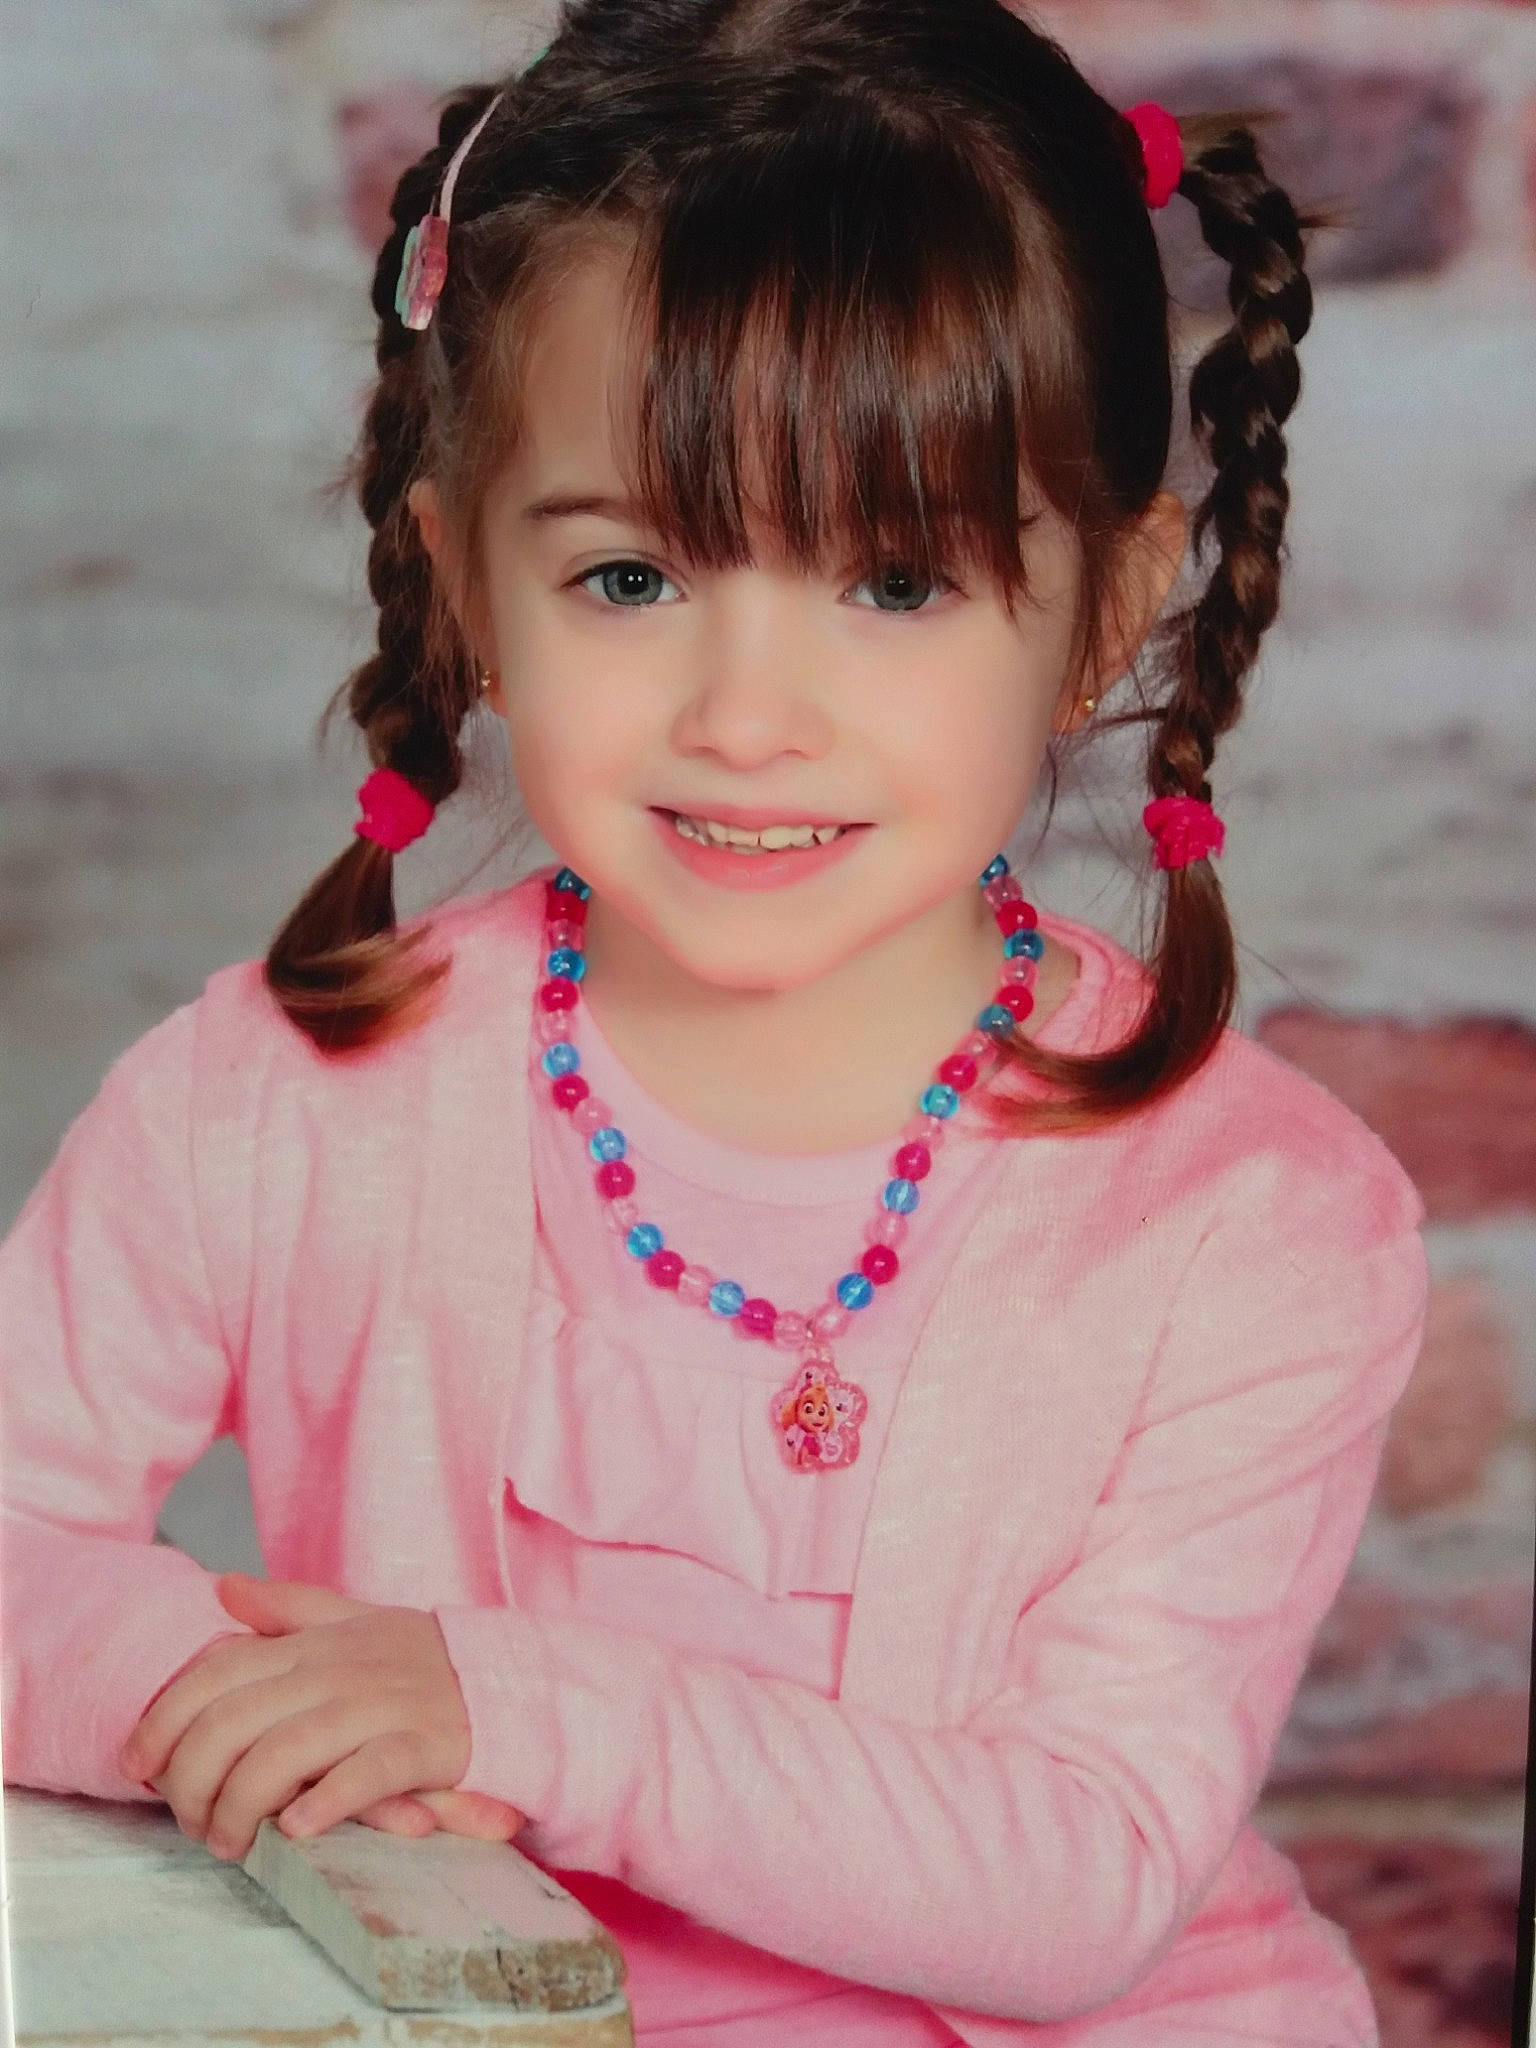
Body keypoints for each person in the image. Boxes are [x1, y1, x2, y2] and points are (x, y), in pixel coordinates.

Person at [1, 2, 1429, 2041]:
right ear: (465, 580)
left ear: (1104, 608)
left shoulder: (1257, 1223)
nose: (748, 716)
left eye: (899, 584)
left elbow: (1087, 1868)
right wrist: (211, 1691)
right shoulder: (278, 1097)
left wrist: (508, 1699)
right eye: (633, 579)